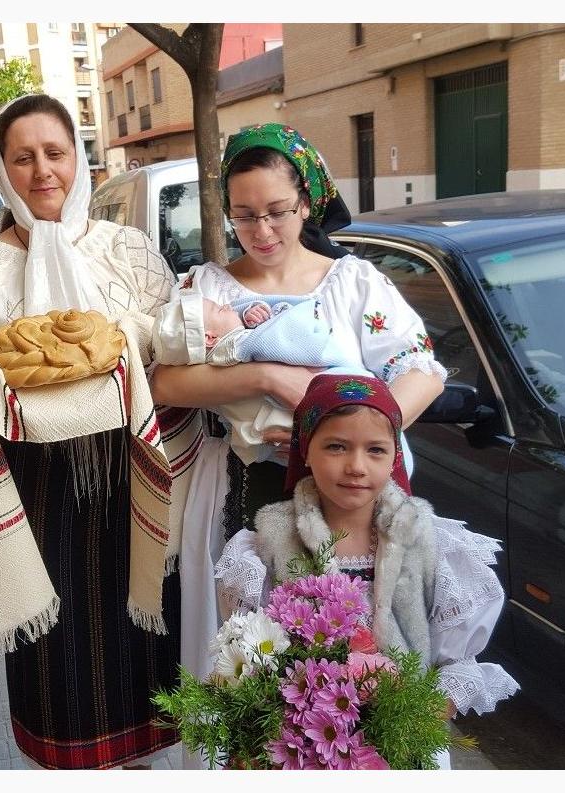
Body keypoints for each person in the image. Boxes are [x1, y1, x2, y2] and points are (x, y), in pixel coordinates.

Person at [0, 93, 193, 769]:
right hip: (33, 496)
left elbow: (173, 350)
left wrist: (126, 340)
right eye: (23, 157)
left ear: (79, 159)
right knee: (55, 666)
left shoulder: (127, 250)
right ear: (2, 170)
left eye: (55, 153)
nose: (42, 171)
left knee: (142, 648)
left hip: (131, 480)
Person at [149, 125, 446, 715]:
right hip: (240, 490)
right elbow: (163, 383)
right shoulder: (207, 289)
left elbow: (422, 370)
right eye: (244, 216)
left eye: (278, 212)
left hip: (350, 502)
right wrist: (265, 376)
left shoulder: (354, 283)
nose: (262, 231)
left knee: (360, 659)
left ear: (307, 203)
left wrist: (348, 436)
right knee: (252, 662)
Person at [213, 373, 520, 769]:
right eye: (336, 446)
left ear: (395, 456)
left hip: (403, 744)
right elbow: (249, 654)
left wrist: (407, 718)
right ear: (305, 450)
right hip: (304, 752)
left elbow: (456, 663)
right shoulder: (266, 548)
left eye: (375, 450)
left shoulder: (431, 545)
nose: (356, 467)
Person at [153, 293, 370, 467]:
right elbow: (272, 340)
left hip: (282, 434)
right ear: (209, 338)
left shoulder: (220, 349)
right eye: (220, 309)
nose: (228, 306)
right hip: (288, 424)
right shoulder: (233, 348)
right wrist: (269, 374)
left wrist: (250, 314)